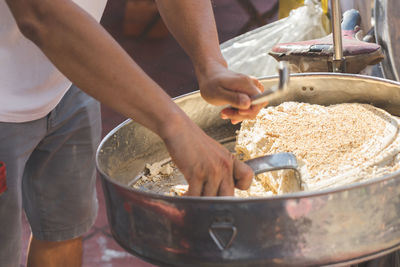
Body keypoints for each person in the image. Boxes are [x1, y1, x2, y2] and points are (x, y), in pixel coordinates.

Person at [1, 0, 268, 266]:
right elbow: (41, 15)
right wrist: (176, 126)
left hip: (74, 71)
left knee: (64, 230)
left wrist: (210, 63)